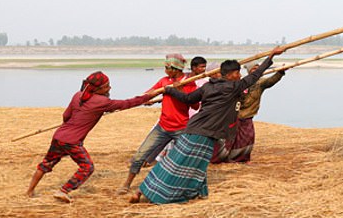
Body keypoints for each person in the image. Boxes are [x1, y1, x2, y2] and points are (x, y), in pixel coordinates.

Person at [129, 49, 284, 205]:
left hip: (193, 128)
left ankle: (142, 190)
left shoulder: (208, 86)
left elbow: (188, 98)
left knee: (175, 161)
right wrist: (271, 56)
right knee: (182, 164)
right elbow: (255, 76)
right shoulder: (233, 87)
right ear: (230, 75)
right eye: (237, 73)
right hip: (204, 133)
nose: (240, 76)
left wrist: (172, 90)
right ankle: (160, 194)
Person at [27, 72, 150, 203]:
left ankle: (30, 191)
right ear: (98, 89)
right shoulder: (103, 102)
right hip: (72, 142)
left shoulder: (78, 95)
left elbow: (66, 116)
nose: (110, 88)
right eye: (107, 86)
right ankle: (63, 191)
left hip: (59, 136)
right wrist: (149, 96)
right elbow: (128, 103)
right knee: (87, 167)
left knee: (46, 163)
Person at [118, 54, 198, 193]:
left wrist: (179, 90)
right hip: (162, 127)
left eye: (167, 68)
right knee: (140, 156)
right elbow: (150, 93)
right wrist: (142, 99)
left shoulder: (189, 83)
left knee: (183, 159)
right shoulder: (164, 81)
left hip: (181, 128)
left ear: (176, 69)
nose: (165, 70)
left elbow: (195, 105)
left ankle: (185, 186)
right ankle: (127, 184)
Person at [211, 63, 285, 163]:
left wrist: (280, 72)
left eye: (258, 69)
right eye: (254, 69)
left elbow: (271, 81)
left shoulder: (260, 83)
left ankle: (240, 159)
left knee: (247, 138)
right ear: (249, 71)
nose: (256, 70)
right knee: (227, 140)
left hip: (247, 116)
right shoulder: (242, 82)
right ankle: (218, 159)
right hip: (234, 116)